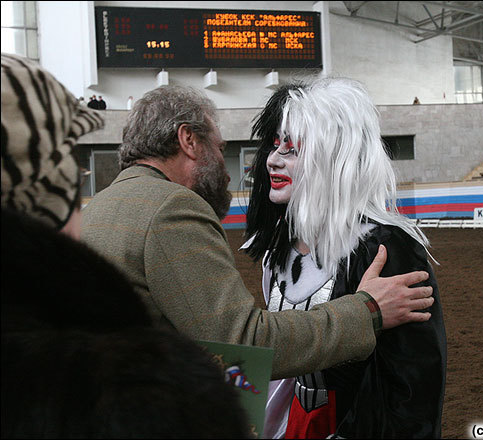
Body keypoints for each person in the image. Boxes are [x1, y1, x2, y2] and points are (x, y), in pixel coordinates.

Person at [81, 85, 435, 382]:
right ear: (188, 140)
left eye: (291, 147)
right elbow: (240, 345)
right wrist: (368, 310)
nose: (267, 161)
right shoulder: (171, 208)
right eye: (220, 148)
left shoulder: (94, 211)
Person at [1, 53, 250, 438]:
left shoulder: (101, 204)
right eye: (67, 158)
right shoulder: (120, 386)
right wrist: (365, 308)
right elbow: (241, 339)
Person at [244, 78, 446, 438]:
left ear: (333, 155)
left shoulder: (386, 247)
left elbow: (415, 384)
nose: (272, 160)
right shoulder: (279, 249)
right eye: (275, 147)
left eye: (291, 150)